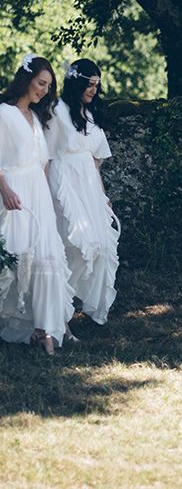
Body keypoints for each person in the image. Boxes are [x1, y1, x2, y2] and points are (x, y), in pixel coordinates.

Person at [0, 54, 75, 355]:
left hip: (38, 194)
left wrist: (46, 198)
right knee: (16, 256)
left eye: (49, 86)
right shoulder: (4, 113)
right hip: (14, 191)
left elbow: (43, 164)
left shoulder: (36, 117)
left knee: (46, 256)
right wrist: (4, 189)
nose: (44, 90)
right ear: (26, 79)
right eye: (41, 83)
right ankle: (17, 321)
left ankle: (46, 326)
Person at [46, 59, 119, 325]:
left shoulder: (90, 114)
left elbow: (95, 161)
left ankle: (84, 303)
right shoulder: (57, 111)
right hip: (64, 180)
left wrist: (103, 195)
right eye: (90, 84)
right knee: (73, 244)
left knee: (100, 245)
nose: (94, 90)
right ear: (77, 82)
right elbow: (48, 156)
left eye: (97, 85)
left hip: (89, 183)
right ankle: (58, 310)